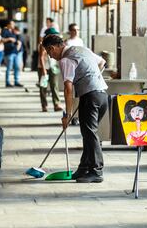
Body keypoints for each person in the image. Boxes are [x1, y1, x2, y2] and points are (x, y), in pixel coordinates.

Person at [42, 34, 108, 183]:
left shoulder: (66, 60)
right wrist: (91, 77)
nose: (51, 57)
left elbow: (67, 88)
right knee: (88, 133)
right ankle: (84, 168)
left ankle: (96, 171)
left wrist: (68, 114)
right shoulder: (81, 49)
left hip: (91, 97)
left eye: (49, 52)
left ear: (52, 48)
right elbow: (102, 62)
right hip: (102, 95)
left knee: (90, 134)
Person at [38, 28, 63, 112]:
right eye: (53, 34)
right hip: (44, 68)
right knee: (43, 86)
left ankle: (56, 104)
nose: (55, 35)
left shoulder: (55, 44)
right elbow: (41, 57)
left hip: (53, 67)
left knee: (54, 86)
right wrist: (44, 70)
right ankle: (44, 105)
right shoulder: (43, 44)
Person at [66, 23, 84, 126]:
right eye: (74, 29)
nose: (76, 31)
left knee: (78, 95)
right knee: (71, 94)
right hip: (72, 69)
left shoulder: (80, 41)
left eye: (78, 29)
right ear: (70, 31)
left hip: (80, 69)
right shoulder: (68, 42)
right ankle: (72, 115)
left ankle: (77, 116)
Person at [2, 20, 23, 87]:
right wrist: (9, 39)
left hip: (15, 51)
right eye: (12, 24)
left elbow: (18, 38)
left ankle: (16, 81)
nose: (13, 25)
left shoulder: (14, 31)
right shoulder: (5, 31)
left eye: (14, 24)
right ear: (8, 25)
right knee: (9, 67)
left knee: (17, 66)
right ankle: (7, 82)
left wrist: (18, 43)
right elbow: (2, 40)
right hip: (9, 52)